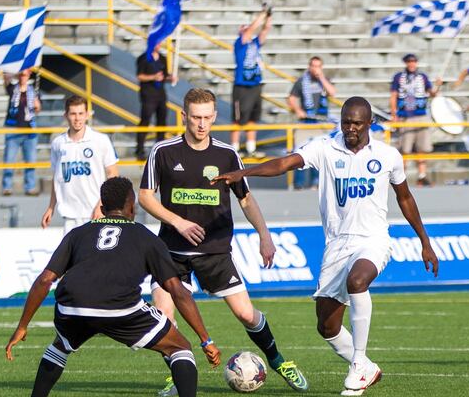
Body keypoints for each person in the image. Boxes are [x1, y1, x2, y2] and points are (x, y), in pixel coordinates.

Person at [212, 97, 439, 396]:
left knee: (357, 281)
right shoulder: (325, 147)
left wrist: (425, 241)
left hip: (373, 239)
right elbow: (284, 163)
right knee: (327, 327)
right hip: (337, 244)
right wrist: (244, 173)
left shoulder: (388, 156)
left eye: (356, 123)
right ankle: (367, 368)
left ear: (370, 123)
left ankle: (358, 364)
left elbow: (405, 197)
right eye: (346, 122)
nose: (350, 128)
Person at [139, 88, 308, 395]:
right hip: (171, 252)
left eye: (207, 117)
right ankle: (179, 374)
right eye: (195, 117)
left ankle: (278, 361)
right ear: (184, 116)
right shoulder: (163, 152)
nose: (201, 124)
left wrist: (265, 236)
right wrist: (178, 222)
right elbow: (145, 196)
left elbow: (245, 199)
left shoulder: (227, 154)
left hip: (214, 251)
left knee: (246, 314)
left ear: (215, 116)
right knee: (164, 318)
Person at [6, 177, 221, 397]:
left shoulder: (77, 233)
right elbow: (177, 290)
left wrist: (22, 326)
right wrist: (206, 339)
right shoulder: (146, 237)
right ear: (132, 207)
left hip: (72, 306)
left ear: (102, 209)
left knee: (60, 345)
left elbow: (44, 280)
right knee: (179, 347)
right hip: (120, 307)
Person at [41, 95, 119, 235]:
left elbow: (113, 175)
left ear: (87, 115)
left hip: (95, 213)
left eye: (81, 113)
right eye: (73, 114)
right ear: (66, 115)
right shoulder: (58, 143)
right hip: (69, 216)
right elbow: (57, 178)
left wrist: (101, 204)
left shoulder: (100, 140)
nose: (77, 118)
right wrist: (51, 207)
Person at [288, 56, 337, 189]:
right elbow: (291, 98)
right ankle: (299, 184)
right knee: (300, 151)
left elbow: (332, 92)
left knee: (320, 152)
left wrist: (321, 78)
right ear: (309, 67)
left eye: (318, 66)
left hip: (321, 123)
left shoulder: (325, 80)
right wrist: (298, 110)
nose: (316, 69)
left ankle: (316, 182)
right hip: (306, 122)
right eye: (313, 66)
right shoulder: (301, 81)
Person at [389, 54, 437, 187]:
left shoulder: (422, 77)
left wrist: (438, 86)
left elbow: (432, 93)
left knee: (422, 148)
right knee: (405, 149)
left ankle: (422, 176)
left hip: (421, 115)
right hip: (406, 116)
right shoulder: (399, 77)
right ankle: (400, 178)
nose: (412, 64)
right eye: (409, 61)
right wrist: (394, 114)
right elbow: (393, 95)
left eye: (414, 61)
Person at [231, 9, 272, 158]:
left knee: (253, 118)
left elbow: (265, 30)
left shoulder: (255, 44)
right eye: (244, 28)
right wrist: (262, 14)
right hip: (242, 86)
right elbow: (251, 30)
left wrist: (269, 16)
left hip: (255, 85)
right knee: (238, 119)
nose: (246, 29)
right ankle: (234, 148)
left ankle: (250, 148)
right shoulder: (239, 44)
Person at [2, 68, 42, 196]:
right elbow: (6, 77)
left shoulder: (34, 91)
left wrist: (37, 105)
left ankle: (30, 187)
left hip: (29, 129)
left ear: (29, 75)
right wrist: (16, 72)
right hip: (13, 129)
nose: (23, 77)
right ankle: (7, 187)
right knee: (9, 159)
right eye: (21, 74)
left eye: (25, 74)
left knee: (30, 160)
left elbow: (37, 110)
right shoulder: (13, 89)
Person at [136, 43, 172, 161]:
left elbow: (164, 76)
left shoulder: (163, 58)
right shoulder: (143, 58)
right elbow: (140, 76)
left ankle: (160, 150)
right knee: (145, 121)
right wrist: (153, 77)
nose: (159, 44)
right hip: (148, 95)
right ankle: (140, 150)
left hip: (161, 95)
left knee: (162, 121)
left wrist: (170, 78)